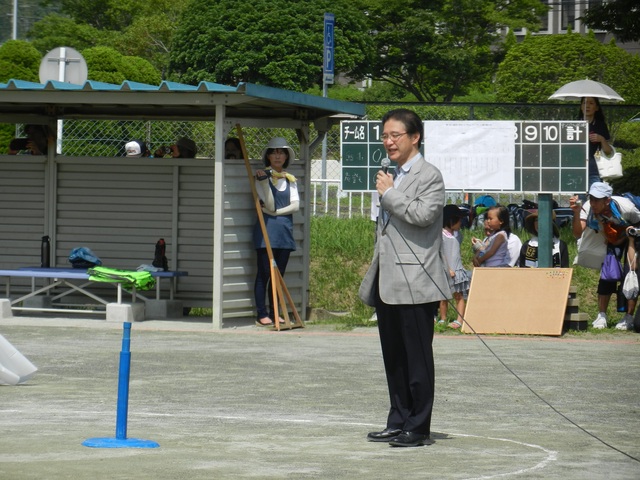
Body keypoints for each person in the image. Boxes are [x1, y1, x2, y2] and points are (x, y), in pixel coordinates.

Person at [359, 108, 450, 448]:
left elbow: (423, 215)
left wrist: (390, 193)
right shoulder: (391, 175)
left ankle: (419, 426)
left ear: (415, 137)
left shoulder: (429, 175)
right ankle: (398, 419)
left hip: (417, 282)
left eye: (395, 135)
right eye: (385, 135)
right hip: (388, 280)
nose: (388, 141)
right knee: (394, 356)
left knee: (417, 358)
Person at [570, 182, 640, 330]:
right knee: (608, 272)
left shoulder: (626, 207)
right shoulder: (587, 207)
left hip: (631, 234)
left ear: (607, 200)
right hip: (611, 236)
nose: (593, 203)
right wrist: (576, 213)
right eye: (591, 198)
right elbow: (577, 233)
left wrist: (630, 237)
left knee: (631, 273)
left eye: (597, 200)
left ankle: (628, 317)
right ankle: (601, 315)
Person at [252, 137, 299, 327]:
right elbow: (268, 203)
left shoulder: (290, 179)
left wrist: (277, 212)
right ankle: (261, 314)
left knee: (278, 276)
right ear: (268, 156)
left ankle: (275, 312)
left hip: (284, 235)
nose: (278, 155)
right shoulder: (261, 177)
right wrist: (264, 183)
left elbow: (295, 206)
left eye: (281, 152)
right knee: (264, 274)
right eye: (274, 152)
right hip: (266, 233)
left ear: (286, 156)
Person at [438, 204, 471, 329]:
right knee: (443, 296)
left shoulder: (458, 235)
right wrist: (447, 268)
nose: (461, 223)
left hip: (458, 270)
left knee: (459, 295)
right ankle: (443, 318)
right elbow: (441, 253)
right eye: (459, 220)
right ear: (451, 220)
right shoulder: (441, 235)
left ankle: (459, 320)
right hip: (446, 269)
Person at [580, 97, 613, 188]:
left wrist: (601, 139)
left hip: (595, 169)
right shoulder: (574, 125)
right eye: (585, 103)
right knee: (579, 200)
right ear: (581, 107)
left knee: (595, 198)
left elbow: (608, 151)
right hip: (577, 169)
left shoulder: (600, 125)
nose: (587, 106)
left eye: (591, 103)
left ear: (597, 108)